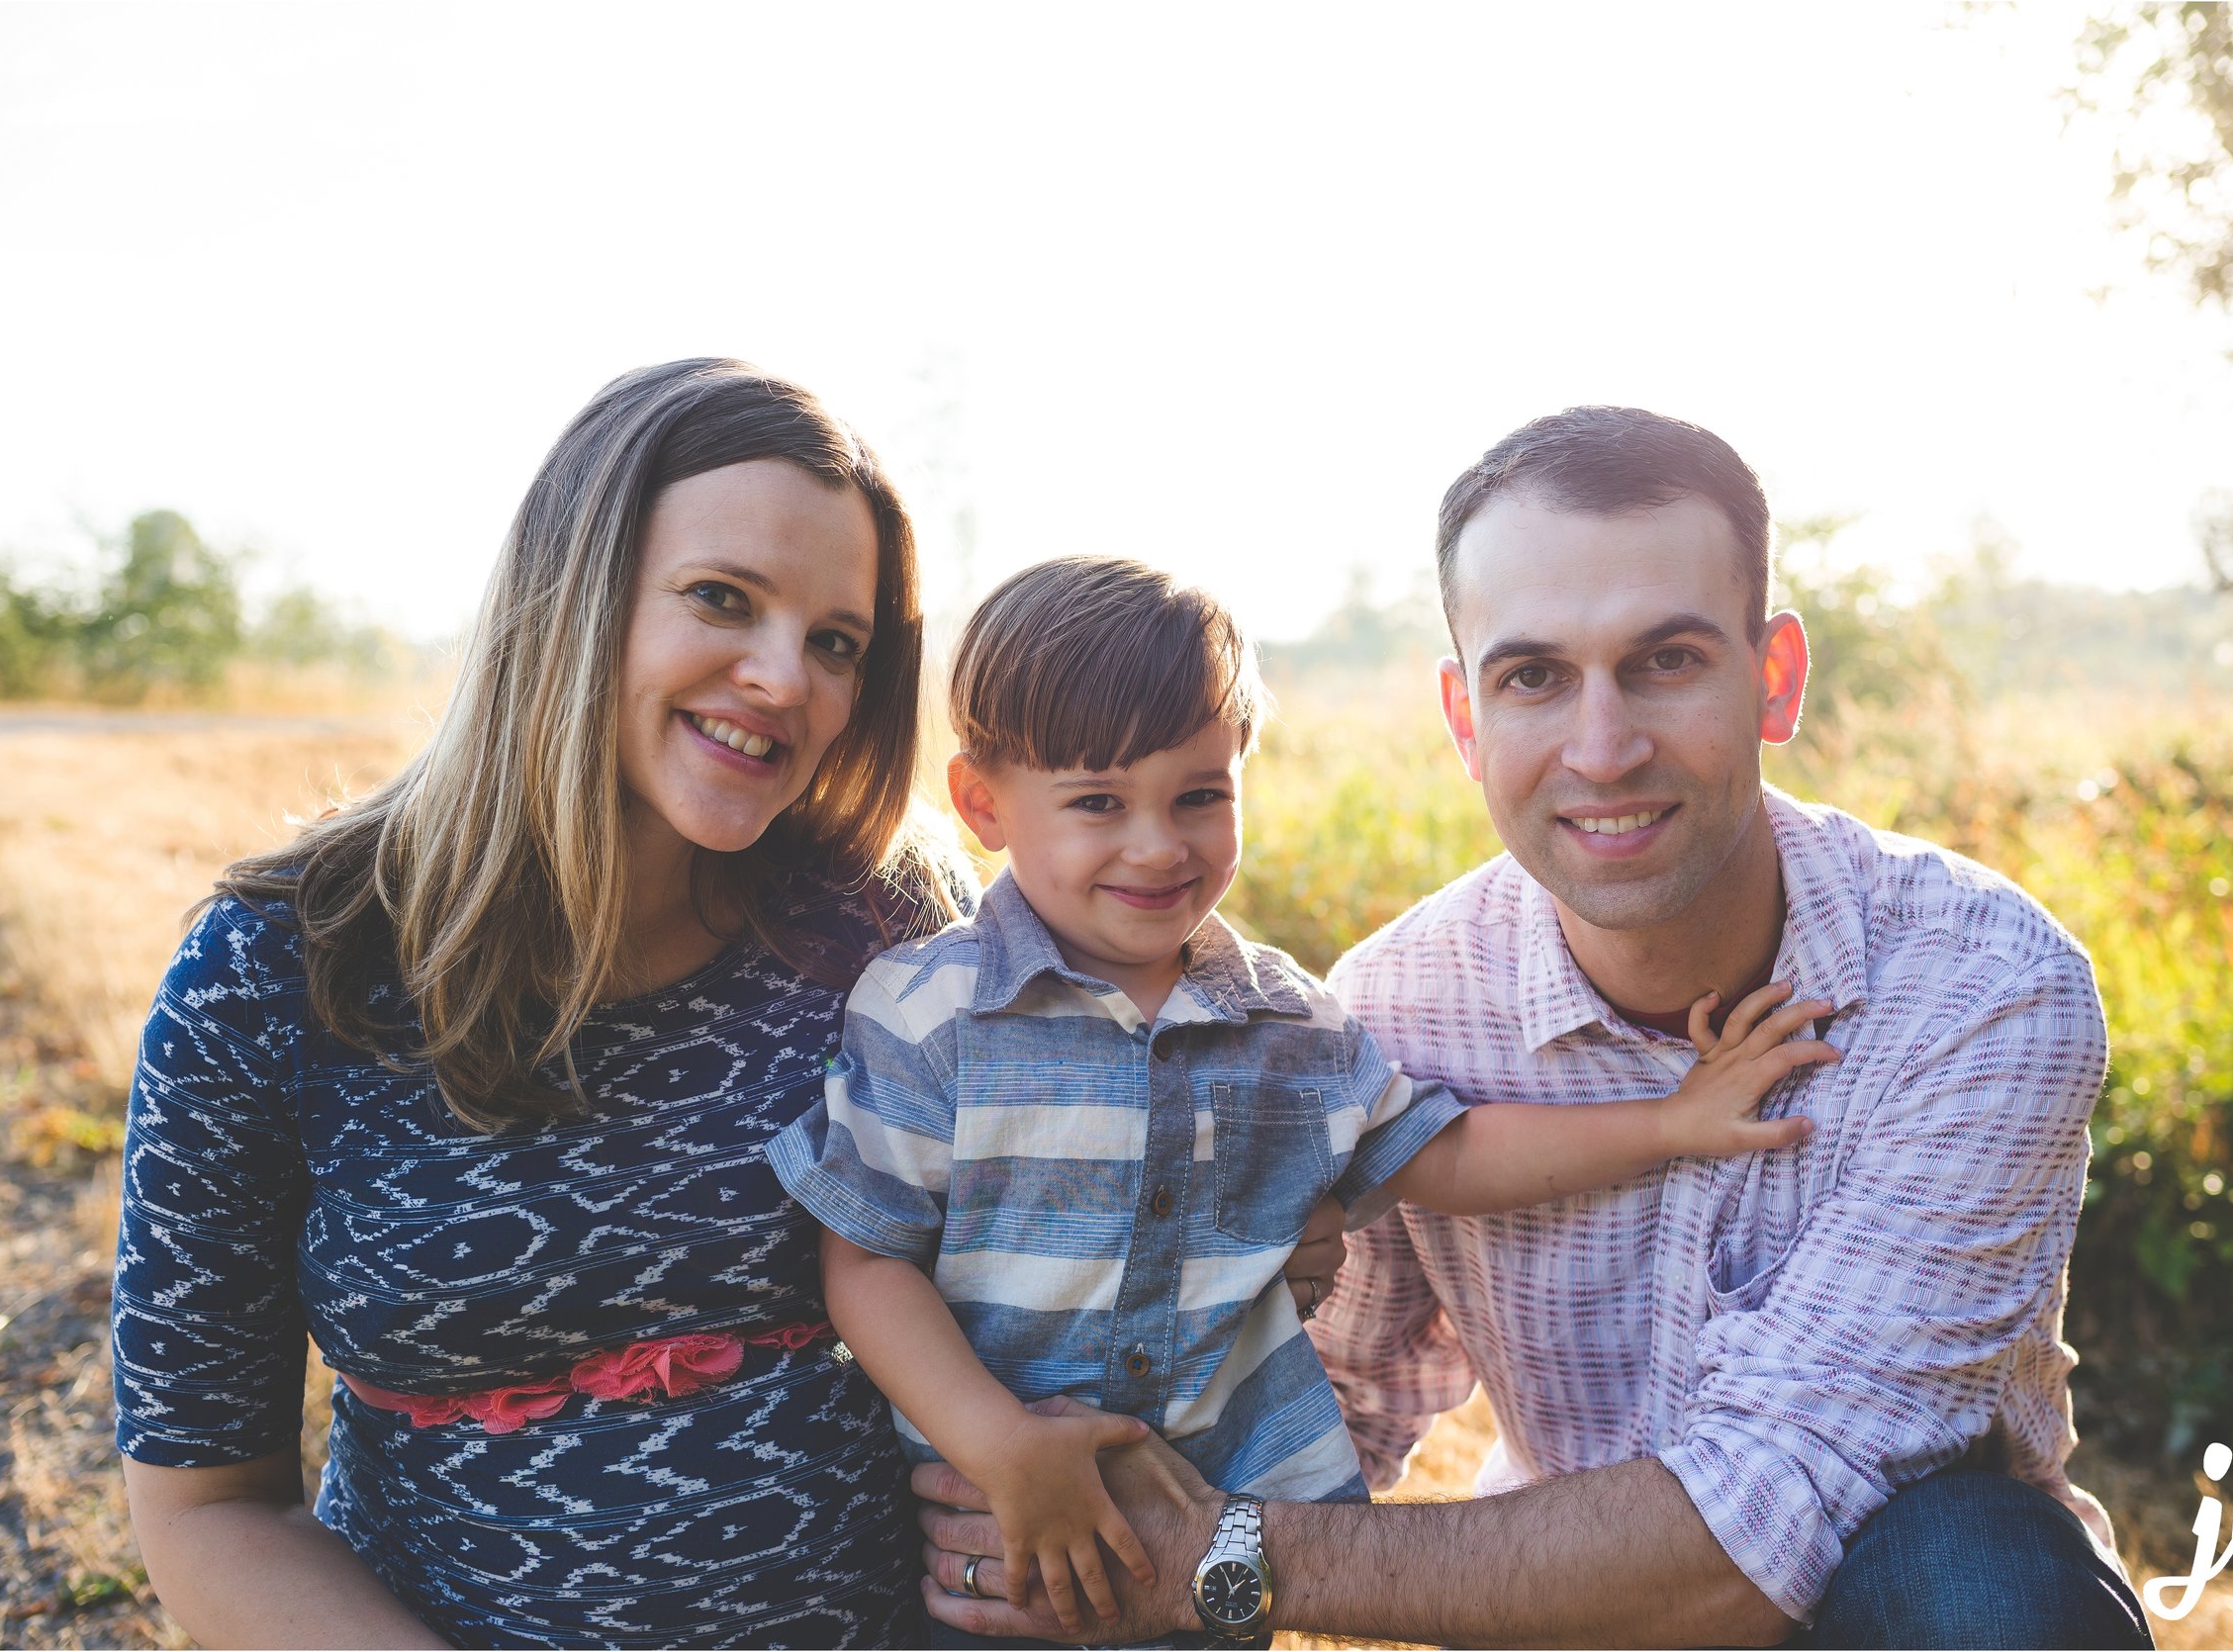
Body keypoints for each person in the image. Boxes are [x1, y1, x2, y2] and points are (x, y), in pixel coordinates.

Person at [915, 408, 2157, 1648]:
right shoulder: (1395, 1010)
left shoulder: (1975, 988)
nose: (1602, 748)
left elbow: (1774, 1525)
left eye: (1666, 660)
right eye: (1533, 676)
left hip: (1891, 1616)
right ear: (1465, 718)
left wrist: (1215, 1563)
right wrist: (1074, 1507)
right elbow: (1328, 1400)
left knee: (1977, 1567)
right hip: (1574, 1619)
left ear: (1772, 677)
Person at [771, 555, 1834, 1646]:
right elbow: (866, 1255)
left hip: (1206, 1531)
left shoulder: (1285, 1022)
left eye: (1199, 795)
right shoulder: (929, 1012)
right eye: (1097, 803)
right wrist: (1000, 1444)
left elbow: (1446, 1152)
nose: (1157, 843)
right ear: (982, 804)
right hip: (993, 1548)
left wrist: (1671, 1121)